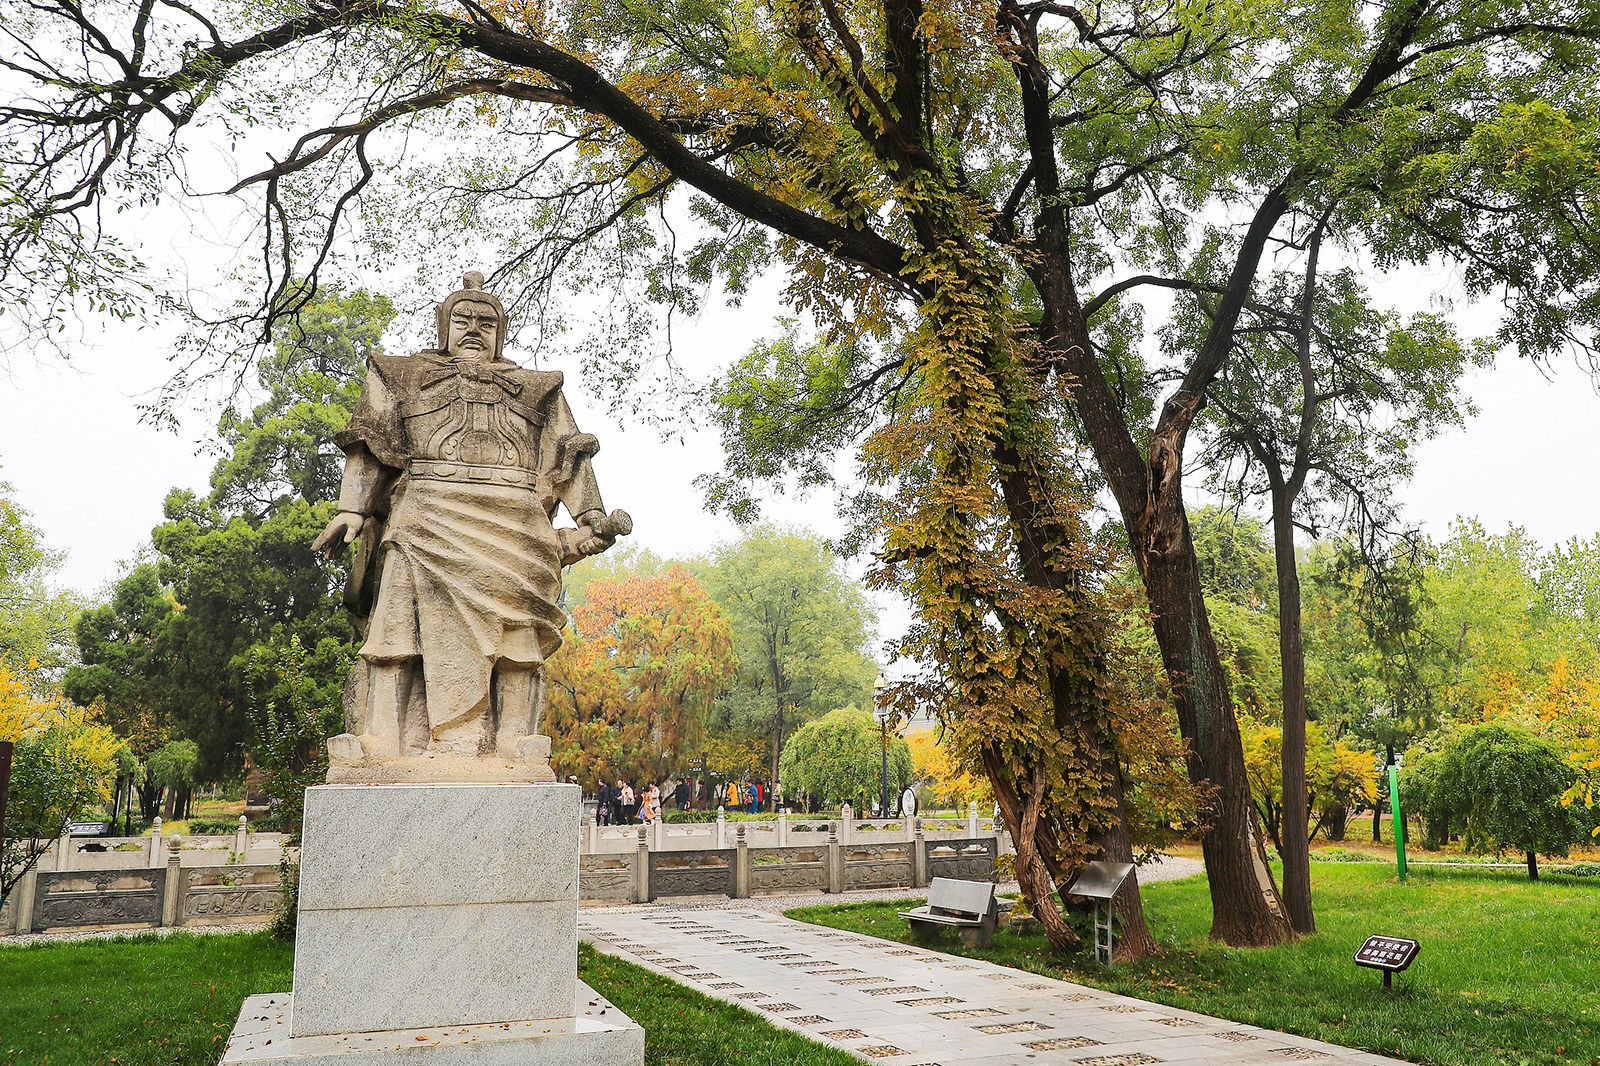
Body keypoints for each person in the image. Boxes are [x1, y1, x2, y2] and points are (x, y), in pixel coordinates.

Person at [314, 271, 627, 774]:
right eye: (463, 319)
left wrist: (591, 516)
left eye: (487, 321)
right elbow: (369, 441)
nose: (475, 329)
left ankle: (513, 739)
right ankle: (381, 734)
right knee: (396, 627)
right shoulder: (401, 374)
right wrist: (352, 507)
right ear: (444, 325)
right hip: (425, 509)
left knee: (517, 631)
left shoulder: (535, 388)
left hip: (514, 518)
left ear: (501, 331)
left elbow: (570, 451)